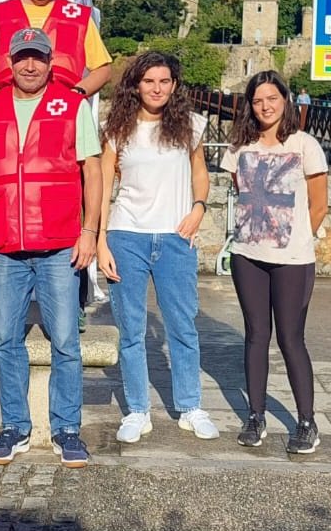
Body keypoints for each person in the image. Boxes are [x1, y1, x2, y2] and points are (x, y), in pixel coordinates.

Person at [0, 27, 102, 469]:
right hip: (5, 243)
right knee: (6, 339)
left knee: (65, 339)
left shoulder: (73, 105)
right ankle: (14, 427)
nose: (30, 65)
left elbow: (92, 172)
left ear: (51, 63)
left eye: (38, 58)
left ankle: (67, 429)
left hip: (60, 243)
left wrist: (89, 231)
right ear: (8, 61)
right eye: (22, 57)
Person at [0, 0, 113, 333]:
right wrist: (1, 99)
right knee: (3, 193)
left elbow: (103, 68)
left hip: (60, 119)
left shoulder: (78, 17)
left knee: (66, 195)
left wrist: (76, 96)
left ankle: (75, 300)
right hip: (9, 119)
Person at [95, 52, 219, 445]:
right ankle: (137, 410)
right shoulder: (117, 128)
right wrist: (99, 239)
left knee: (182, 327)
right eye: (149, 81)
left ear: (174, 85)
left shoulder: (191, 125)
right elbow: (101, 187)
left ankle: (190, 406)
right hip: (126, 235)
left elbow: (200, 173)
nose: (157, 88)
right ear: (136, 84)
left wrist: (199, 208)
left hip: (175, 238)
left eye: (164, 81)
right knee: (131, 330)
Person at [221, 70, 329, 454]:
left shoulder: (305, 145)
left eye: (272, 98)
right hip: (248, 254)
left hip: (293, 258)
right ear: (250, 105)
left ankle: (306, 421)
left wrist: (297, 238)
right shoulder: (239, 147)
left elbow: (319, 205)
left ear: (286, 100)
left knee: (290, 338)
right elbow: (243, 195)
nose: (265, 106)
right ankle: (256, 415)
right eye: (257, 100)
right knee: (255, 336)